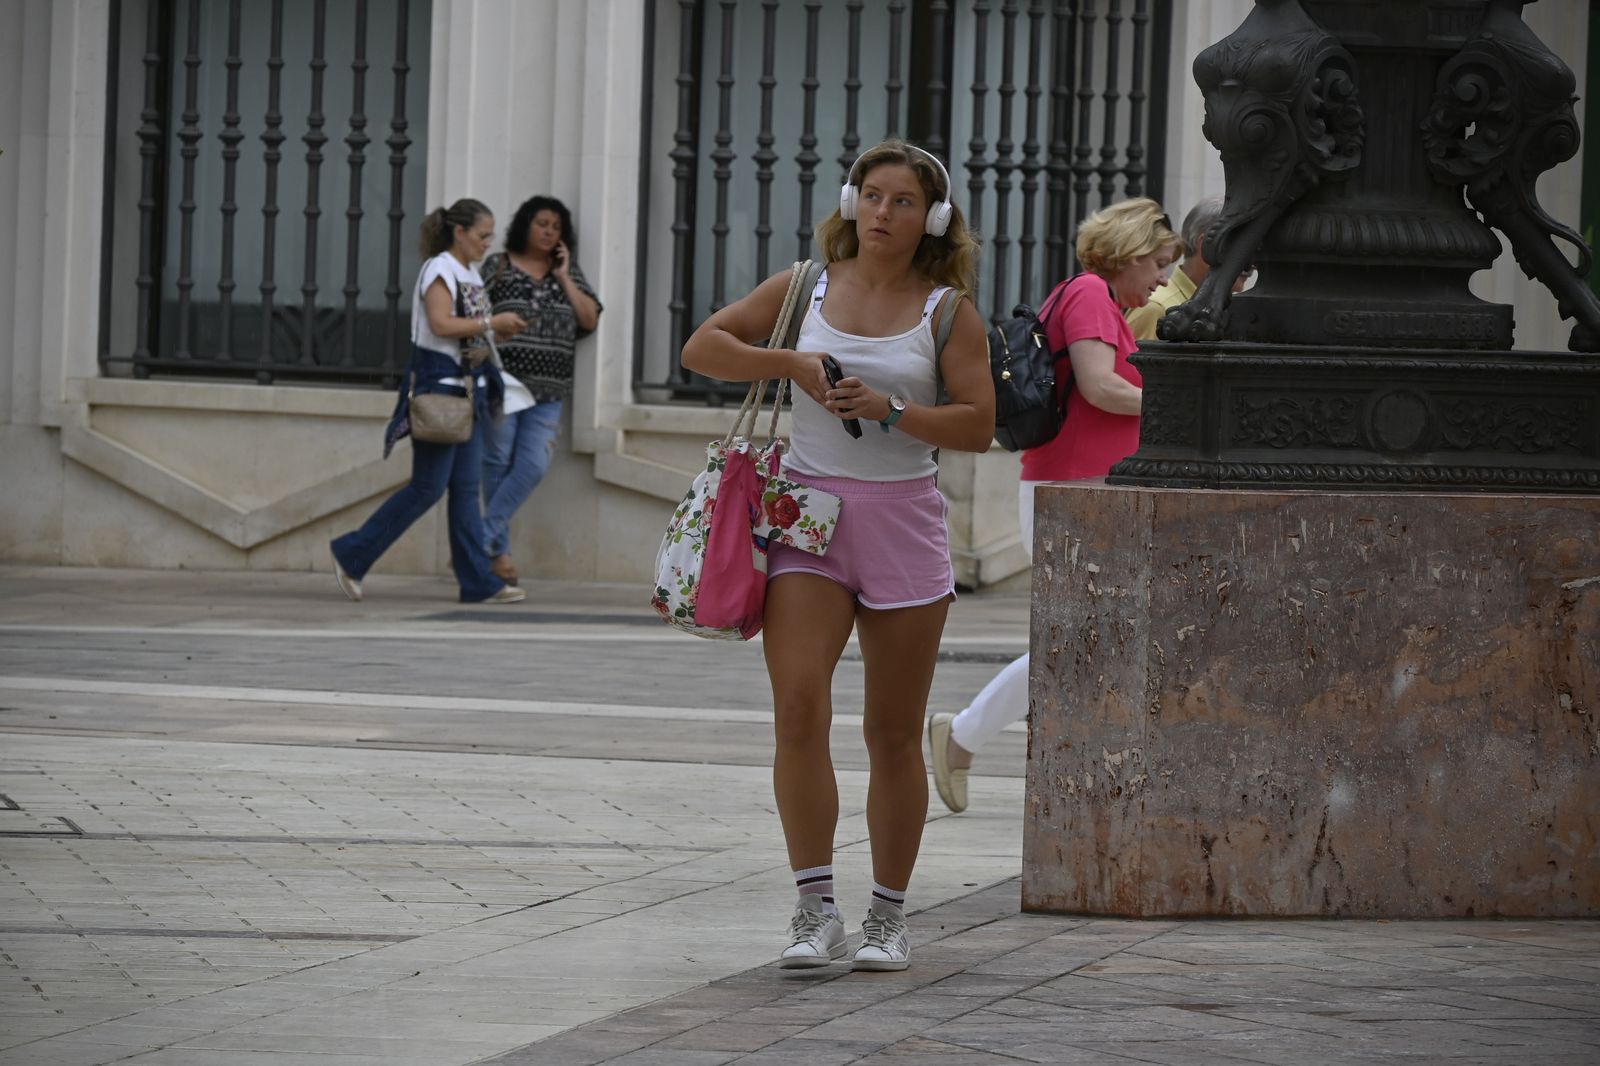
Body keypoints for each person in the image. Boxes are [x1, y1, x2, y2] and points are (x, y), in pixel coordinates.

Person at [680, 140, 993, 972]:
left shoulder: (948, 312)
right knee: (797, 709)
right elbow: (702, 348)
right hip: (806, 517)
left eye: (903, 201)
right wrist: (790, 361)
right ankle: (814, 909)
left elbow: (978, 424)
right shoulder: (803, 287)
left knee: (890, 733)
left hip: (903, 526)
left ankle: (887, 917)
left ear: (934, 219)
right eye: (873, 195)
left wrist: (892, 410)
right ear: (853, 202)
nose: (883, 213)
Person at [928, 197, 1180, 813]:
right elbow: (1101, 386)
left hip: (1083, 490)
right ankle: (966, 736)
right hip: (1074, 491)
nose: (1163, 280)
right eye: (1157, 263)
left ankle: (976, 739)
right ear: (1127, 252)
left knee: (1089, 638)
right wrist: (1179, 407)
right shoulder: (1090, 293)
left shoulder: (1100, 300)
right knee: (1083, 637)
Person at [330, 198, 529, 605]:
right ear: (459, 232)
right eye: (482, 235)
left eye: (490, 235)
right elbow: (440, 324)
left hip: (465, 390)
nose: (487, 243)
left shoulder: (467, 272)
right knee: (427, 487)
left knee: (465, 490)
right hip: (440, 389)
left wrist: (493, 334)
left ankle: (477, 582)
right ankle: (353, 553)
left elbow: (462, 330)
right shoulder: (440, 268)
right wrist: (491, 322)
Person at [479, 196, 602, 586]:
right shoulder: (497, 266)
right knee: (498, 463)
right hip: (503, 384)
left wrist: (564, 276)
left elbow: (589, 320)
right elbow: (472, 316)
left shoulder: (568, 272)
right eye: (542, 224)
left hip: (550, 390)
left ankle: (477, 539)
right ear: (525, 225)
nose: (549, 232)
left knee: (532, 465)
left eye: (556, 227)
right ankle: (498, 555)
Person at [1125, 195, 1249, 341]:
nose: (1251, 263)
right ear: (1206, 245)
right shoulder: (1155, 308)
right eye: (1241, 247)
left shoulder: (1224, 310)